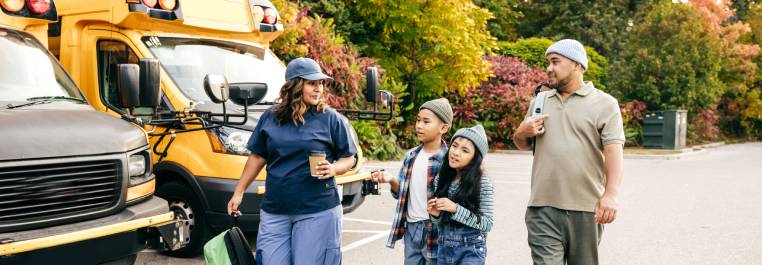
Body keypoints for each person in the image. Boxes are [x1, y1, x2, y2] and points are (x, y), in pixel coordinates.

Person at [227, 57, 357, 265]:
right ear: (295, 86)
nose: (319, 89)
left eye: (321, 83)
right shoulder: (270, 117)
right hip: (275, 209)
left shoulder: (331, 119)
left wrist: (333, 168)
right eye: (312, 83)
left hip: (317, 210)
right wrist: (239, 191)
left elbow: (349, 158)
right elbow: (258, 156)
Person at [512, 39, 625, 265]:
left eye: (555, 62)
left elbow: (614, 151)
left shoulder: (606, 104)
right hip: (542, 208)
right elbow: (522, 143)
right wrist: (521, 132)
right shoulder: (540, 101)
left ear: (577, 65)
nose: (548, 68)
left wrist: (610, 195)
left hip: (586, 210)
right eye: (548, 62)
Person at [370, 98, 453, 265]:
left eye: (426, 121)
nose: (419, 125)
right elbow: (402, 191)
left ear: (443, 127)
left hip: (436, 230)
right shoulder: (411, 156)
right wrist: (391, 179)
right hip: (412, 228)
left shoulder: (448, 160)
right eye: (418, 120)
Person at [428, 124, 495, 265]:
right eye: (454, 146)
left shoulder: (483, 182)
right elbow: (439, 223)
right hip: (444, 248)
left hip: (471, 250)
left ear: (475, 158)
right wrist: (435, 215)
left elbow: (487, 224)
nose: (456, 152)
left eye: (465, 150)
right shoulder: (442, 178)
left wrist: (455, 208)